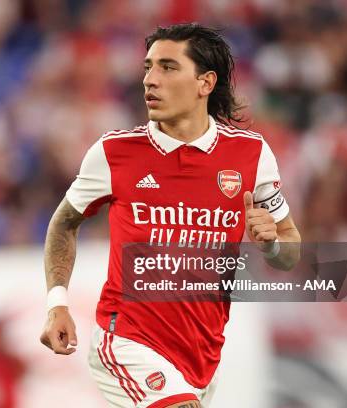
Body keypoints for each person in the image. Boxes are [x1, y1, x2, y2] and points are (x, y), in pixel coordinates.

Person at [40, 24, 301, 408]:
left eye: (167, 67)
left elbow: (291, 252)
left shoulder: (251, 155)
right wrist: (57, 304)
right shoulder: (115, 152)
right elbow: (64, 222)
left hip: (202, 353)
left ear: (205, 83)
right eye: (148, 68)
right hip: (126, 339)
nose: (150, 80)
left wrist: (272, 244)